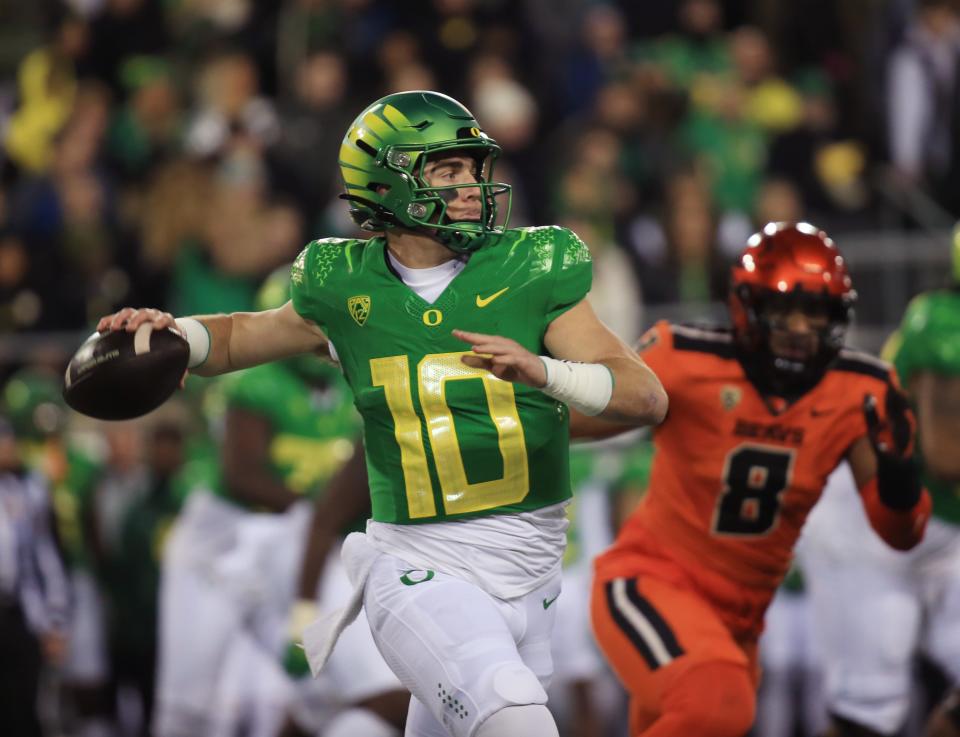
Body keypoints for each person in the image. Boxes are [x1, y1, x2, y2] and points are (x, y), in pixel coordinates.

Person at [97, 90, 667, 737]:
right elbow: (236, 336)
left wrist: (548, 372)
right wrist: (169, 332)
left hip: (530, 576)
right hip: (420, 567)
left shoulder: (532, 267)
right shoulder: (343, 285)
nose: (474, 186)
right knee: (516, 718)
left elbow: (645, 396)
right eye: (447, 171)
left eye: (472, 167)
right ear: (390, 186)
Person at [573, 222, 933, 737]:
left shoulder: (861, 391)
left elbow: (902, 532)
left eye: (817, 312)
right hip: (651, 584)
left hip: (739, 622)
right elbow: (579, 421)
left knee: (709, 710)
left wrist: (900, 481)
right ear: (746, 306)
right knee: (718, 705)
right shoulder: (683, 357)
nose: (803, 328)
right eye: (785, 310)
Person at [153, 267, 406, 737]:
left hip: (295, 535)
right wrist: (325, 502)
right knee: (190, 707)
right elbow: (243, 474)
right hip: (221, 540)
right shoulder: (258, 380)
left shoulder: (356, 381)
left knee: (325, 681)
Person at [801, 286, 960, 737]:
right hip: (874, 524)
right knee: (868, 714)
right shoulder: (945, 322)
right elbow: (948, 456)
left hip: (943, 532)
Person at [0, 415, 71, 737]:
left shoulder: (28, 490)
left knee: (28, 709)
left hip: (19, 613)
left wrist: (55, 618)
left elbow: (47, 558)